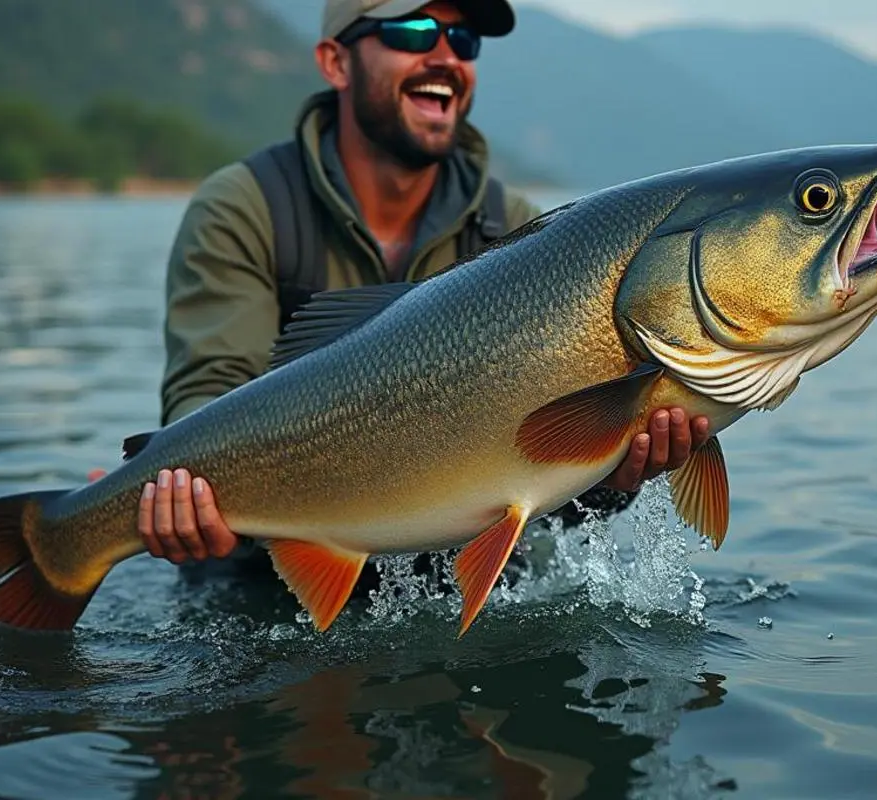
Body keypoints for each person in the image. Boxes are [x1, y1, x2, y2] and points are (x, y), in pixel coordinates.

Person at [98, 0, 710, 577]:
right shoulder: (245, 208)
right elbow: (207, 392)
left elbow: (552, 484)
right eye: (412, 32)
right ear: (335, 61)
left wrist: (615, 479)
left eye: (462, 39)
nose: (445, 55)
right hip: (254, 569)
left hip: (450, 578)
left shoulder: (526, 238)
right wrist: (177, 495)